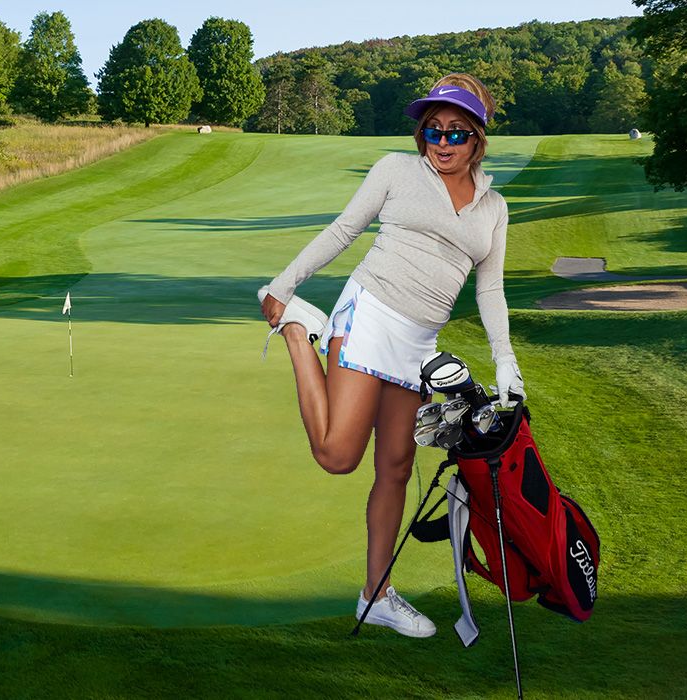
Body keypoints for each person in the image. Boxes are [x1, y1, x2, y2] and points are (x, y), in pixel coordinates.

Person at [256, 73, 525, 638]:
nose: (443, 143)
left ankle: (374, 594)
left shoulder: (494, 207)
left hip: (419, 343)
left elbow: (490, 290)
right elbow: (343, 230)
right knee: (337, 455)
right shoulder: (396, 171)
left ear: (478, 138)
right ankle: (299, 329)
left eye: (456, 133)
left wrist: (507, 362)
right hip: (370, 313)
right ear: (421, 134)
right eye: (433, 130)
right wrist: (283, 286)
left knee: (397, 468)